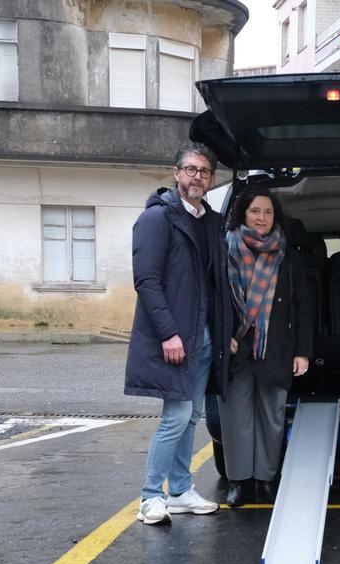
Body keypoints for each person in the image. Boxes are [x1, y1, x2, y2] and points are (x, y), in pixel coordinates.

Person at [124, 143, 232, 524]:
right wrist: (169, 334)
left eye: (204, 171)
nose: (197, 177)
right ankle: (151, 496)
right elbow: (147, 282)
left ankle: (182, 491)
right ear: (176, 173)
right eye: (190, 169)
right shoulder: (157, 219)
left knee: (191, 418)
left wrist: (224, 332)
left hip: (203, 339)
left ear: (212, 178)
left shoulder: (212, 222)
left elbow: (217, 285)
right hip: (176, 339)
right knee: (176, 416)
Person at [218, 188, 313, 507]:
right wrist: (222, 335)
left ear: (276, 217)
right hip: (235, 348)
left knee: (272, 416)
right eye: (256, 211)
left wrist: (302, 351)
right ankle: (239, 482)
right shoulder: (225, 249)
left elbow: (302, 306)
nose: (262, 217)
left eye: (268, 212)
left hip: (275, 347)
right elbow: (213, 300)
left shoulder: (287, 255)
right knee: (236, 416)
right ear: (243, 213)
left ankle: (264, 480)